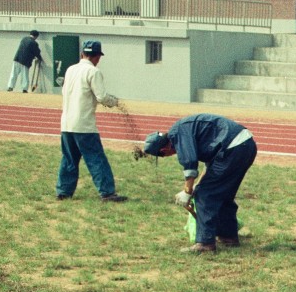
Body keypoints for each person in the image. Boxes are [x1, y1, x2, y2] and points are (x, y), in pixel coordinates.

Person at [142, 114, 257, 254]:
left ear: (163, 151)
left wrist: (187, 191)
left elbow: (190, 163)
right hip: (245, 145)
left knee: (205, 194)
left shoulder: (177, 134)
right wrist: (198, 184)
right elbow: (211, 164)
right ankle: (228, 236)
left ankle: (205, 243)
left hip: (232, 148)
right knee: (223, 194)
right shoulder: (184, 129)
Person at [56, 40, 127, 202]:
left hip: (66, 124)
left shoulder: (70, 69)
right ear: (97, 57)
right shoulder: (93, 72)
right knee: (96, 158)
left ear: (82, 54)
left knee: (69, 159)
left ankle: (63, 191)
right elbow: (101, 96)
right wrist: (114, 102)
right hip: (84, 125)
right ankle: (107, 192)